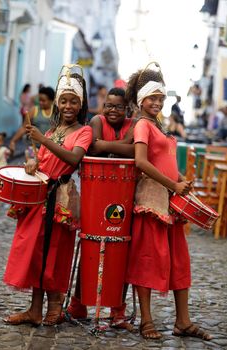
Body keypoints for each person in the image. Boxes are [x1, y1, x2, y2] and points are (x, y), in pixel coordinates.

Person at [125, 64, 212, 340]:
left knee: (179, 261)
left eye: (161, 98)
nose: (157, 103)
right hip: (151, 200)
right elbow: (140, 161)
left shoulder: (158, 126)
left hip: (170, 201)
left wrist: (181, 179)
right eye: (152, 98)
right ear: (141, 100)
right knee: (148, 259)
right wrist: (172, 183)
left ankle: (183, 322)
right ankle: (146, 321)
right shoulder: (142, 125)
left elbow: (165, 161)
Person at [3, 65, 92, 327]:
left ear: (81, 104)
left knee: (55, 252)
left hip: (61, 199)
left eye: (73, 101)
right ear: (57, 103)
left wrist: (43, 139)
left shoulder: (83, 131)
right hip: (39, 199)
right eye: (63, 100)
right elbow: (42, 162)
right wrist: (32, 164)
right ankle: (34, 309)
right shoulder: (54, 131)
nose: (67, 105)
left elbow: (74, 158)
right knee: (35, 253)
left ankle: (54, 306)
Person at [65, 88, 134, 330]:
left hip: (124, 194)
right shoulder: (97, 120)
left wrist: (105, 144)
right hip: (96, 193)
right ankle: (77, 303)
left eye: (118, 106)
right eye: (109, 105)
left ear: (127, 109)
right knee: (90, 244)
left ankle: (118, 309)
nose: (112, 110)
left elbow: (135, 149)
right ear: (103, 106)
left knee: (122, 250)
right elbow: (92, 149)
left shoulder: (133, 124)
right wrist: (118, 146)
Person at [9, 86, 55, 160]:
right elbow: (24, 127)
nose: (40, 102)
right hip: (33, 146)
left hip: (49, 148)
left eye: (43, 100)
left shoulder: (56, 112)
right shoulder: (34, 110)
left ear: (51, 100)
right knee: (31, 167)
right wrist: (13, 141)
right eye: (39, 100)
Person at [0, 132, 11, 207]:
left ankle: (3, 200)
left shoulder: (4, 149)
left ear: (2, 141)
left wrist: (12, 149)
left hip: (2, 173)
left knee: (2, 187)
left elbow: (10, 153)